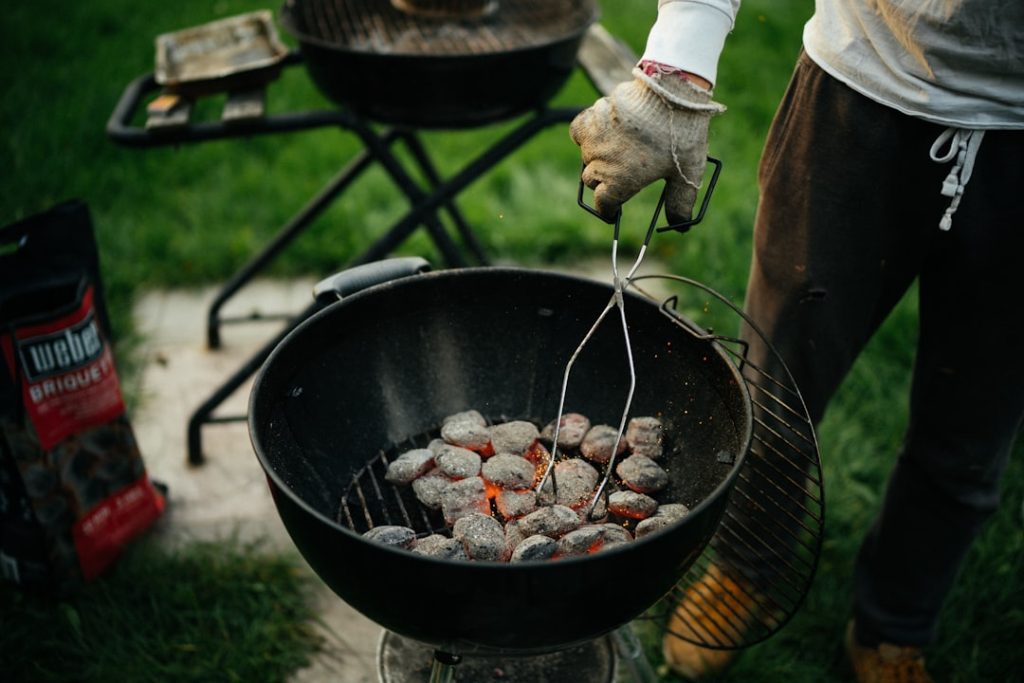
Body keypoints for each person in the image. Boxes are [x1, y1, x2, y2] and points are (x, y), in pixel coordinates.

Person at [570, 1, 1024, 681]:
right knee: (779, 383)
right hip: (864, 85)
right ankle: (744, 565)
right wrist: (678, 66)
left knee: (974, 431)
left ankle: (896, 625)